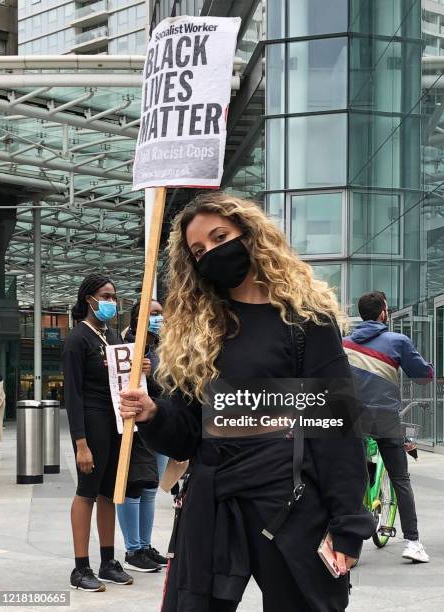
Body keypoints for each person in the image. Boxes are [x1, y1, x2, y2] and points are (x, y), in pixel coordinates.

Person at [119, 193, 375, 612]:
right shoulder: (197, 331)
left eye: (220, 237)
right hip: (213, 499)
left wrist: (348, 525)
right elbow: (184, 436)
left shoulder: (304, 319)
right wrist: (152, 414)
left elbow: (335, 427)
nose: (211, 254)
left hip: (288, 503)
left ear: (251, 234)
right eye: (198, 250)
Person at [343, 291, 434, 563]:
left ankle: (348, 543)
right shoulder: (397, 341)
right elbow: (423, 377)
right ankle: (413, 543)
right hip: (385, 417)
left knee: (352, 478)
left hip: (352, 417)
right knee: (400, 479)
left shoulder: (343, 343)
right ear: (383, 313)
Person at [63, 273, 134, 592]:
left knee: (108, 493)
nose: (111, 302)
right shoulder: (78, 338)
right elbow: (73, 394)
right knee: (87, 491)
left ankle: (107, 561)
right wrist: (81, 443)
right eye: (106, 296)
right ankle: (81, 568)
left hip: (115, 422)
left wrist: (141, 368)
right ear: (88, 299)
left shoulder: (115, 336)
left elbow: (126, 379)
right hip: (91, 423)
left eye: (114, 297)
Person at [117, 300, 169, 572]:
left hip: (161, 421)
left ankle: (145, 545)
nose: (158, 318)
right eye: (152, 314)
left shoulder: (167, 344)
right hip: (134, 426)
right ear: (138, 317)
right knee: (133, 487)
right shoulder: (123, 344)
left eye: (160, 313)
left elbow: (174, 383)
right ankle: (133, 549)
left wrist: (156, 375)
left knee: (151, 487)